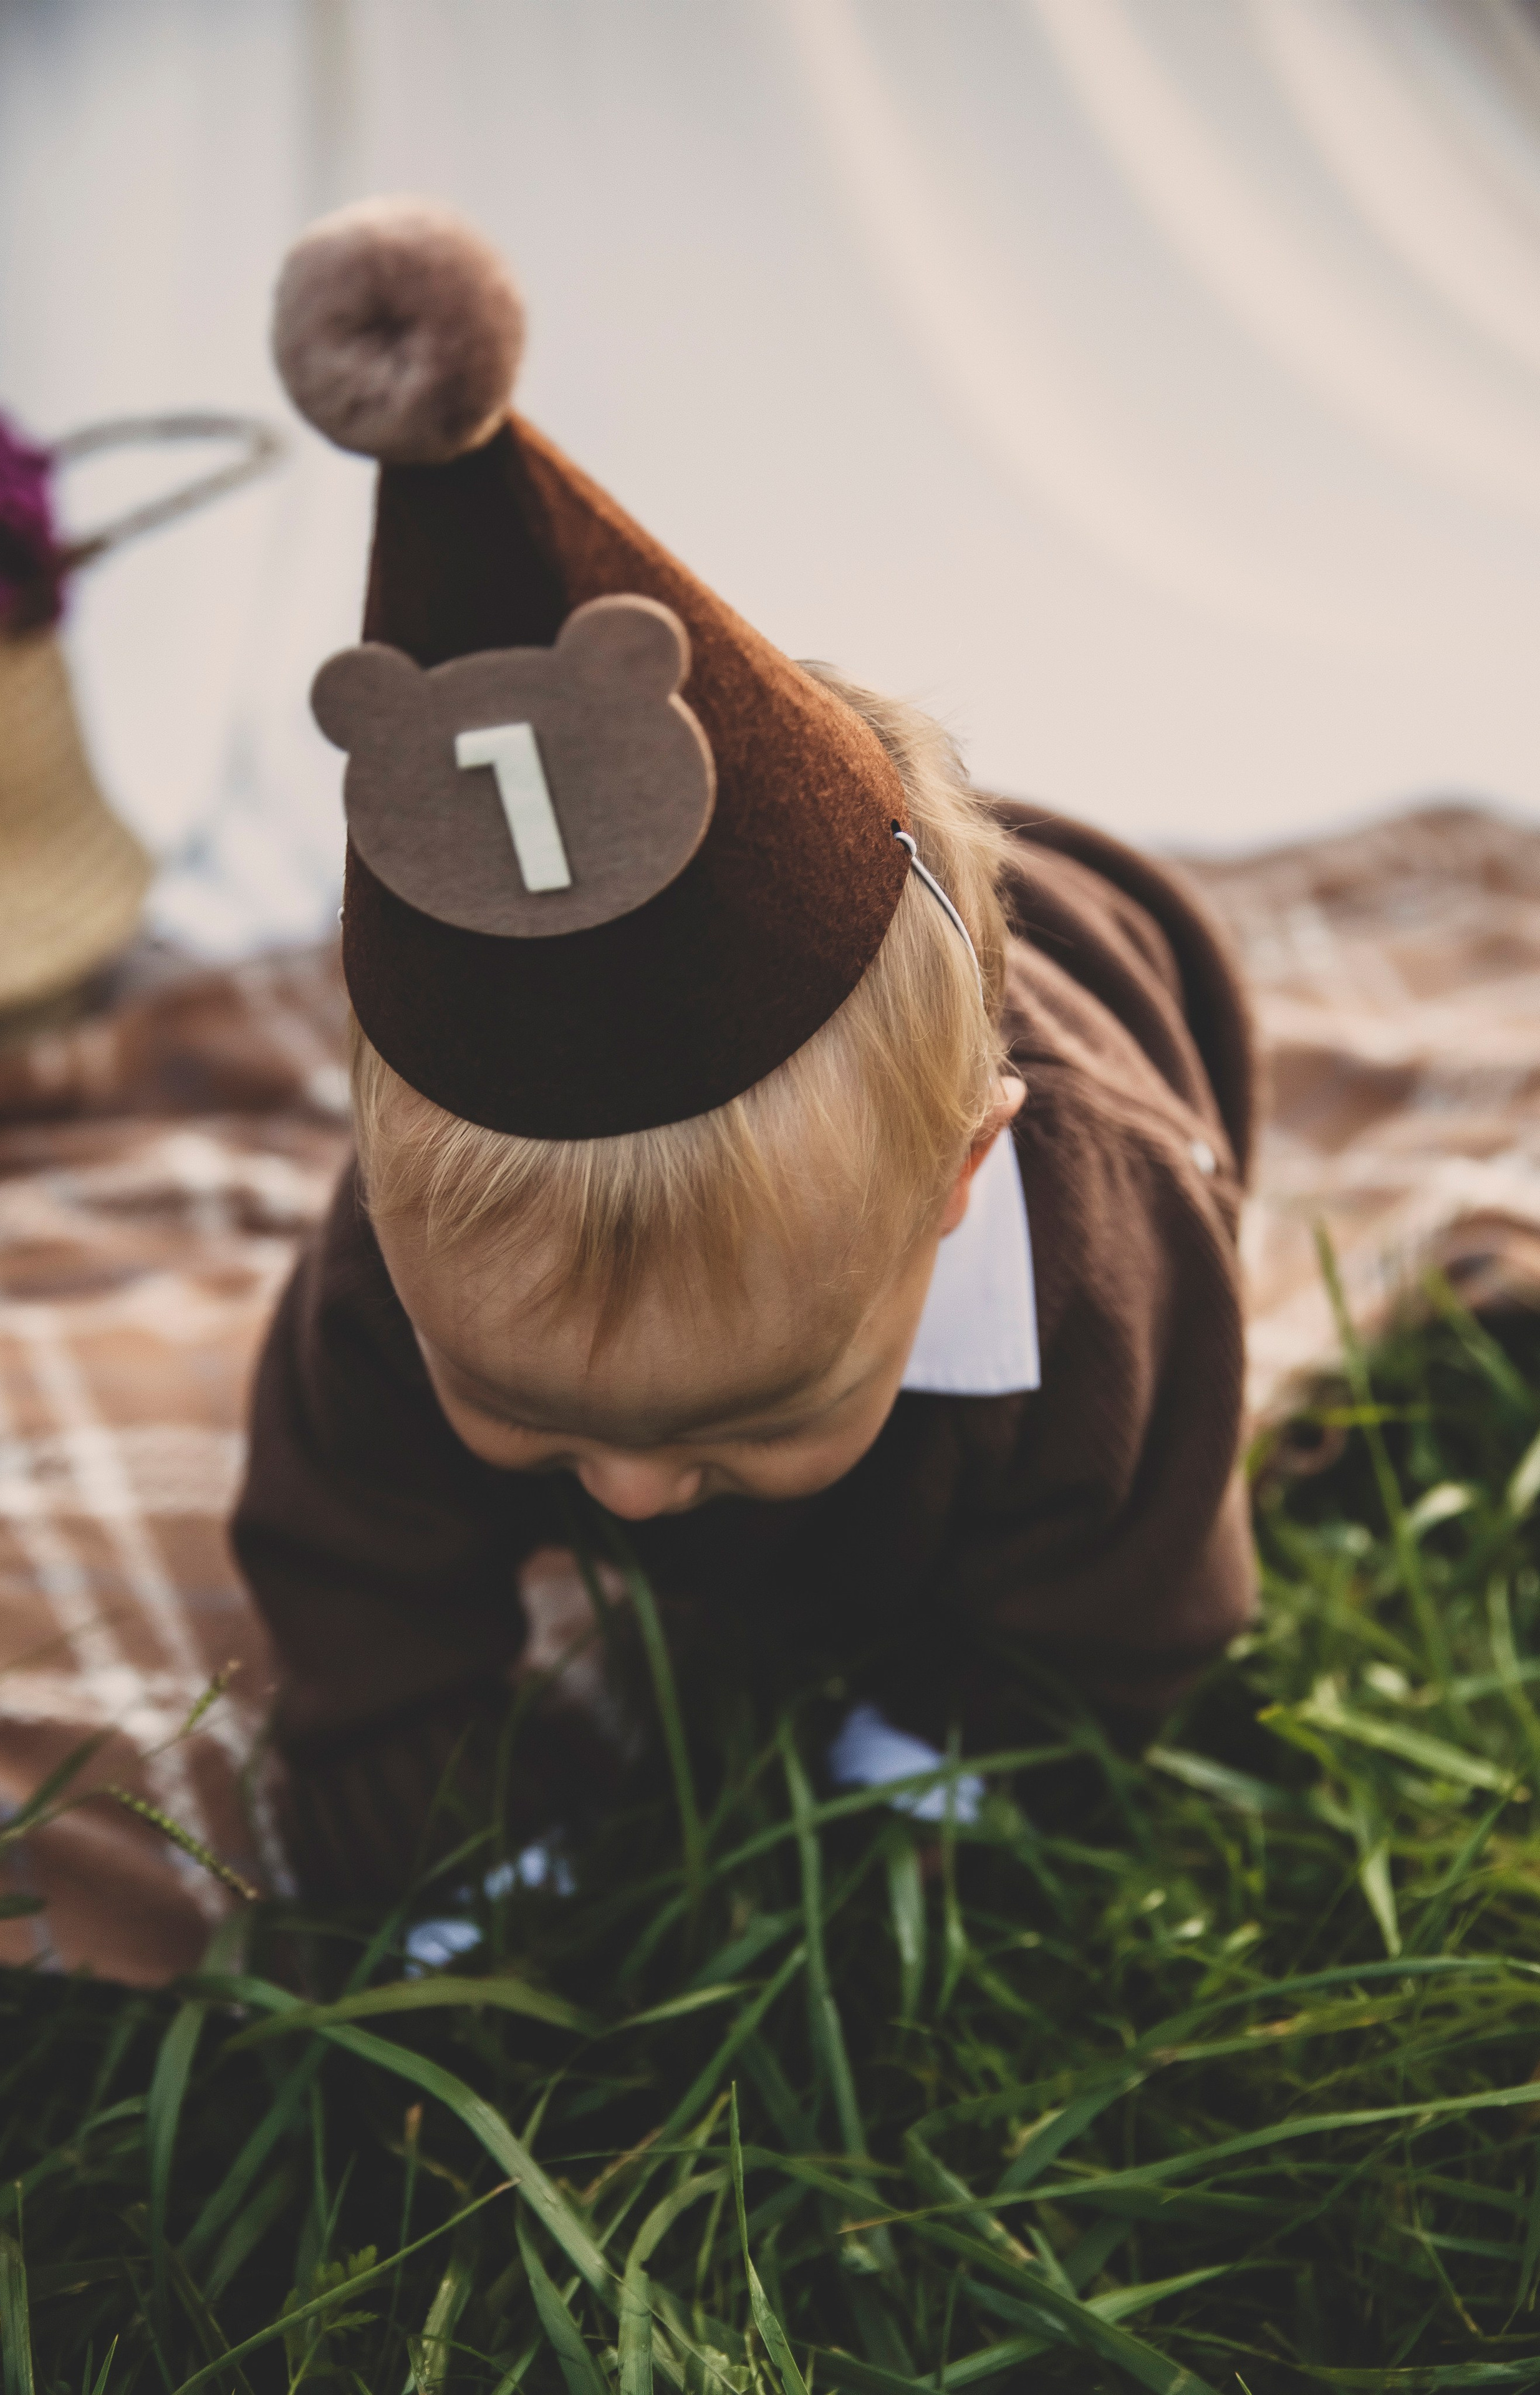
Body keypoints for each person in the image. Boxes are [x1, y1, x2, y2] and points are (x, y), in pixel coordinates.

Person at [233, 198, 1258, 1902]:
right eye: (519, 1406)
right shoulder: (398, 1268)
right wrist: (435, 1814)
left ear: (959, 1181)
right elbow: (352, 1572)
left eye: (758, 1408)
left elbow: (1132, 1590)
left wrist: (945, 1759)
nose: (635, 1498)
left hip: (1105, 980)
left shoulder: (1109, 1274)